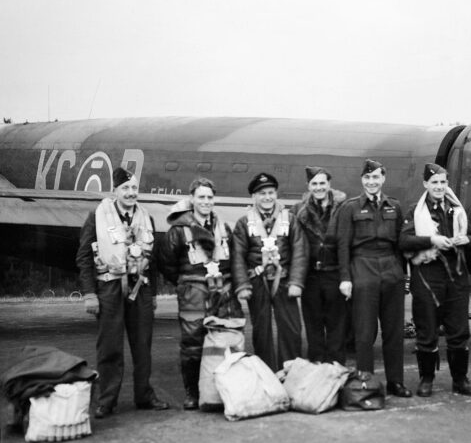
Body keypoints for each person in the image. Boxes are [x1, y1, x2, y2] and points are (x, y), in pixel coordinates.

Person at [76, 167, 170, 418]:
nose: (130, 193)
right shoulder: (96, 216)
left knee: (143, 346)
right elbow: (84, 257)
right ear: (114, 191)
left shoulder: (145, 217)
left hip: (140, 288)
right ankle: (107, 400)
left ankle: (144, 395)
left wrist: (153, 295)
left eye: (134, 188)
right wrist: (89, 293)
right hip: (109, 288)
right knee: (109, 347)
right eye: (125, 188)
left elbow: (154, 260)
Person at [159, 177, 243, 410]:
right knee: (192, 344)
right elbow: (166, 263)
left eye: (209, 197)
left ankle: (221, 390)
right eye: (201, 197)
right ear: (192, 199)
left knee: (225, 341)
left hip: (222, 291)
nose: (205, 201)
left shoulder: (223, 228)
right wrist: (186, 284)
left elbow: (234, 260)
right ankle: (192, 393)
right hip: (193, 292)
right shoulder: (177, 231)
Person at [399, 163, 471, 397]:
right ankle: (426, 379)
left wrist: (466, 241)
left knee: (459, 331)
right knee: (427, 330)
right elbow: (403, 242)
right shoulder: (416, 211)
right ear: (426, 184)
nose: (439, 186)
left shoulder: (457, 210)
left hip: (456, 279)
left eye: (443, 182)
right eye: (434, 182)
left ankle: (460, 380)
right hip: (427, 278)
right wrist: (431, 240)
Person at [336, 159, 412, 397]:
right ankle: (365, 382)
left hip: (391, 270)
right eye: (368, 178)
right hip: (363, 267)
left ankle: (395, 382)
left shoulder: (394, 207)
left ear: (383, 179)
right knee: (365, 333)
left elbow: (401, 243)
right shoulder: (350, 208)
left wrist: (402, 273)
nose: (372, 182)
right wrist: (345, 278)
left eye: (376, 177)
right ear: (362, 180)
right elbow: (343, 246)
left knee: (393, 331)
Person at [232, 172, 307, 372]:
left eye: (271, 192)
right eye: (262, 193)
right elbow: (237, 255)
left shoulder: (289, 219)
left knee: (291, 329)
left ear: (276, 194)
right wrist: (242, 285)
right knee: (261, 330)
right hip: (257, 281)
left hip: (284, 281)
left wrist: (296, 283)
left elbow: (300, 250)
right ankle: (267, 372)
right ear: (253, 197)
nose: (267, 197)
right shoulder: (243, 223)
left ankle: (290, 371)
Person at [293, 166, 348, 364]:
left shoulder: (343, 208)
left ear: (329, 184)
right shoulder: (299, 211)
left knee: (336, 326)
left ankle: (336, 367)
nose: (319, 187)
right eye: (314, 184)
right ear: (309, 186)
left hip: (334, 274)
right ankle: (316, 366)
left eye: (322, 183)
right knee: (313, 326)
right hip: (311, 276)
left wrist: (346, 277)